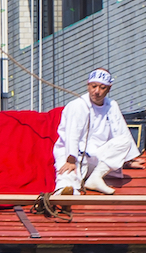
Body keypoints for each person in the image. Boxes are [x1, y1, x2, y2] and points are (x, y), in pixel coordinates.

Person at [53, 67, 140, 195]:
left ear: (109, 88)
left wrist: (127, 160)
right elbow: (72, 134)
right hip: (73, 155)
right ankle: (63, 194)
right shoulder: (78, 105)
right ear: (88, 85)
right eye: (93, 86)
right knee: (67, 178)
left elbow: (120, 132)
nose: (97, 91)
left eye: (102, 88)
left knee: (124, 141)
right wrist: (70, 159)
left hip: (96, 158)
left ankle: (95, 178)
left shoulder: (112, 105)